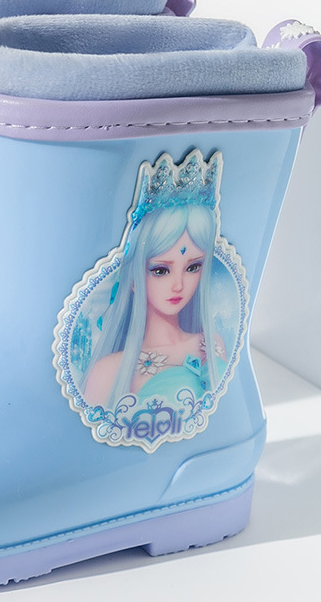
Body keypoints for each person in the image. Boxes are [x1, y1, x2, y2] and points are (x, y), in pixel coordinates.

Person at [83, 158, 226, 412]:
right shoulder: (109, 371)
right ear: (134, 279)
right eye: (160, 270)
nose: (178, 285)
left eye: (193, 267)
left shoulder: (211, 343)